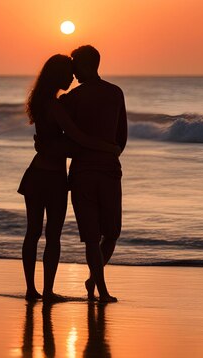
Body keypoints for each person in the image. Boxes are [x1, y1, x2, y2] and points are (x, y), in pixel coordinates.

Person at [18, 54, 120, 302]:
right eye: (68, 73)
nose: (72, 77)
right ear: (58, 75)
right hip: (51, 177)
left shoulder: (44, 103)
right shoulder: (55, 106)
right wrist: (108, 147)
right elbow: (77, 138)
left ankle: (33, 290)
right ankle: (47, 290)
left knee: (33, 233)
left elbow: (60, 141)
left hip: (37, 174)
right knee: (51, 236)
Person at [60, 45, 128, 302]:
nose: (73, 70)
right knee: (104, 235)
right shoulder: (114, 92)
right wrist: (109, 152)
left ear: (88, 65)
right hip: (102, 168)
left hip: (89, 171)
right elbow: (122, 138)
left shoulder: (73, 99)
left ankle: (94, 280)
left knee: (102, 235)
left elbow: (65, 138)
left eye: (76, 64)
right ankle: (101, 288)